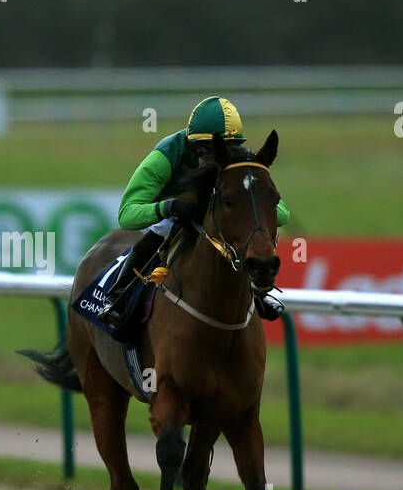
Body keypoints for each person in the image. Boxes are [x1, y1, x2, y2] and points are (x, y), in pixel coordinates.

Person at [97, 95, 289, 330]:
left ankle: (258, 289)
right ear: (191, 143)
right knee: (164, 226)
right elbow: (127, 214)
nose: (212, 158)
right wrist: (169, 206)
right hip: (171, 213)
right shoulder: (166, 154)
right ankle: (118, 295)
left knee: (249, 226)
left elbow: (282, 214)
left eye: (221, 149)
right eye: (204, 149)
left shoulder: (238, 159)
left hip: (214, 215)